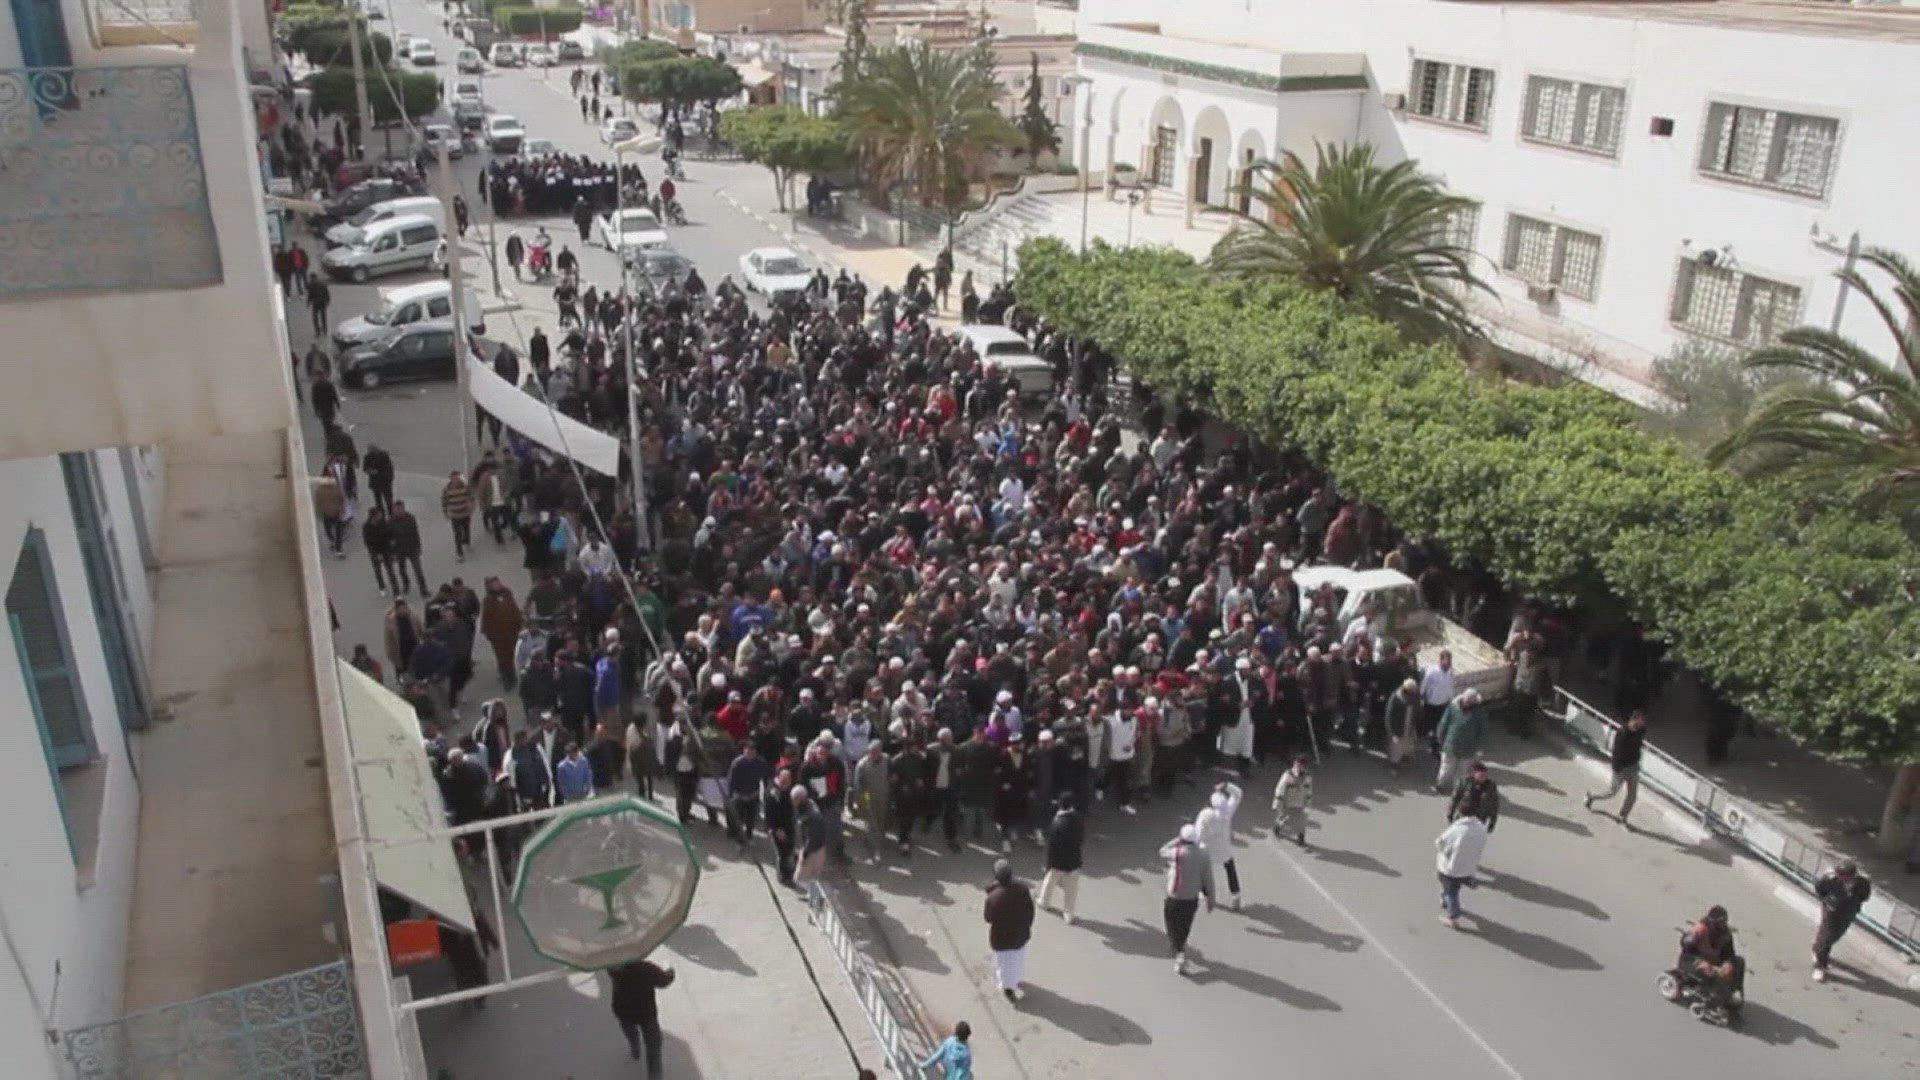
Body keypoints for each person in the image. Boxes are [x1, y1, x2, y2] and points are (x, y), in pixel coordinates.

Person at [1160, 823, 1215, 975]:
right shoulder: (1203, 854)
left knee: (1171, 922)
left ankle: (1179, 951)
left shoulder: (1178, 853)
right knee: (1185, 925)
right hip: (1191, 898)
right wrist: (1211, 898)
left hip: (1174, 896)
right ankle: (1180, 948)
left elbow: (1162, 851)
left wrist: (1176, 840)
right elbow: (1208, 878)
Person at [607, 958, 676, 1077]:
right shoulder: (646, 968)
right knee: (653, 1045)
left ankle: (635, 1050)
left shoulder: (613, 969)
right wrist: (670, 971)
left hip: (624, 1012)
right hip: (646, 1013)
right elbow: (664, 981)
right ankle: (654, 1075)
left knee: (630, 1032)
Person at [983, 859, 1035, 1004]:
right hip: (1020, 936)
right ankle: (1014, 981)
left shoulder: (993, 897)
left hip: (1001, 939)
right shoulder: (1023, 890)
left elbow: (988, 918)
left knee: (1004, 966)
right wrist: (1026, 926)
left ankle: (1008, 988)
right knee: (1018, 961)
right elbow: (1030, 911)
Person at [1811, 860, 1872, 981]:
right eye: (1841, 876)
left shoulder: (1862, 882)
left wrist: (1853, 902)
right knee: (1827, 936)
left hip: (1848, 912)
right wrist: (1828, 901)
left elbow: (1864, 896)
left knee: (1836, 935)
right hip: (1831, 910)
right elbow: (1820, 889)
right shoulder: (1830, 878)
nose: (1843, 880)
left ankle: (1817, 948)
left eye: (1846, 878)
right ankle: (1820, 965)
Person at [1584, 709, 1647, 825]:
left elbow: (1638, 745)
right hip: (1621, 769)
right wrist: (1617, 769)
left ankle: (1622, 816)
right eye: (1642, 720)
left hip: (1633, 768)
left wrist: (1637, 761)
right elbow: (1616, 752)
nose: (1644, 722)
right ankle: (1591, 796)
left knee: (1632, 795)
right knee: (1612, 792)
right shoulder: (1623, 733)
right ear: (1635, 720)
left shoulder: (1640, 731)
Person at [1679, 905, 1744, 1007]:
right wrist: (1700, 963)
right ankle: (1712, 997)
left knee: (1739, 962)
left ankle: (1732, 992)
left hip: (1714, 960)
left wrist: (1728, 963)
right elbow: (1686, 953)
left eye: (1724, 921)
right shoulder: (1699, 931)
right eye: (1720, 923)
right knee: (1708, 970)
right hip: (1693, 961)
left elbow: (1729, 953)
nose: (1723, 925)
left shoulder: (1726, 934)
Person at [1194, 780, 1244, 910]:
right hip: (1224, 850)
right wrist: (1227, 786)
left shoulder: (1205, 815)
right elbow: (1238, 794)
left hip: (1208, 850)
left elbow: (1199, 834)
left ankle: (1207, 895)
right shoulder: (1227, 812)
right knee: (1230, 870)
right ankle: (1236, 895)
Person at [1435, 813, 1488, 929]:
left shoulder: (1457, 829)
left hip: (1451, 868)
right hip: (1468, 867)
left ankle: (1452, 917)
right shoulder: (1481, 829)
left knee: (1451, 891)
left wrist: (1446, 852)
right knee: (1454, 885)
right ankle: (1466, 883)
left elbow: (1440, 842)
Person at [1037, 793, 1084, 924]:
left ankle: (1044, 902)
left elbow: (1052, 847)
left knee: (1049, 881)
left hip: (1058, 861)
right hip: (1074, 861)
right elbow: (1081, 839)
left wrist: (1048, 863)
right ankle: (1068, 914)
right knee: (1071, 889)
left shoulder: (1057, 822)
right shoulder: (1078, 819)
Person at [1433, 689, 1488, 793]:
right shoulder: (1453, 707)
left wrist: (1480, 748)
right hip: (1451, 745)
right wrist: (1440, 737)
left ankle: (1458, 789)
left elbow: (1483, 731)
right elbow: (1444, 723)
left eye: (1470, 702)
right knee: (1446, 767)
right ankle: (1440, 785)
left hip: (1468, 748)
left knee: (1463, 771)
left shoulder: (1479, 713)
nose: (1467, 703)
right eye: (1466, 701)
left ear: (1474, 702)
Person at [794, 785, 830, 908]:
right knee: (812, 877)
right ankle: (812, 896)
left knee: (799, 878)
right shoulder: (810, 805)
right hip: (817, 848)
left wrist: (804, 854)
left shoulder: (810, 816)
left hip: (812, 851)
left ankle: (817, 895)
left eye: (794, 799)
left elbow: (811, 837)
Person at [388, 500, 427, 598]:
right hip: (399, 550)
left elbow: (415, 533)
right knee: (402, 570)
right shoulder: (390, 522)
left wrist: (418, 546)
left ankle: (423, 589)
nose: (398, 511)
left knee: (418, 570)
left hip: (412, 548)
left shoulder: (410, 518)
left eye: (400, 509)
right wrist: (393, 553)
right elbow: (389, 538)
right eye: (396, 510)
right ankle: (406, 584)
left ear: (403, 509)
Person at [1272, 755, 1313, 847]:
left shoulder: (1307, 777)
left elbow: (1309, 790)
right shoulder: (1288, 775)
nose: (1299, 767)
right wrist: (1278, 801)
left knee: (1302, 821)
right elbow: (1280, 788)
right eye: (1298, 764)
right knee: (1285, 819)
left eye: (1302, 765)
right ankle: (1278, 826)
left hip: (1300, 802)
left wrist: (1308, 803)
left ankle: (1301, 838)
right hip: (1288, 802)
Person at [1447, 761, 1500, 832]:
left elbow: (1494, 804)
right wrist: (1450, 813)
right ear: (1474, 774)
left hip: (1480, 818)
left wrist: (1492, 822)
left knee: (1474, 836)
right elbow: (1455, 799)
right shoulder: (1464, 782)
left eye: (1485, 776)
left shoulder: (1491, 786)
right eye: (1481, 776)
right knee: (1460, 833)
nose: (1483, 778)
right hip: (1464, 815)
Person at [441, 470, 474, 561]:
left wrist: (472, 506)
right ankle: (459, 553)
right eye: (454, 478)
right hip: (455, 516)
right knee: (457, 534)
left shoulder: (465, 487)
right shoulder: (446, 490)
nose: (456, 480)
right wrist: (445, 512)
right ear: (451, 479)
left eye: (458, 478)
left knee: (466, 530)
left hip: (465, 513)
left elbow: (471, 496)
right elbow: (444, 501)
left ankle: (467, 542)